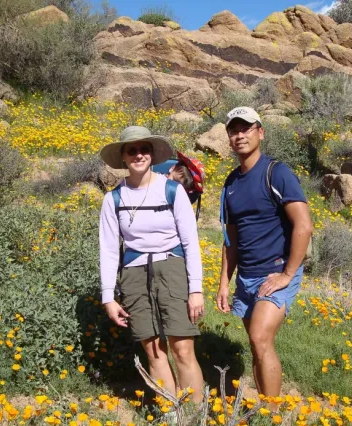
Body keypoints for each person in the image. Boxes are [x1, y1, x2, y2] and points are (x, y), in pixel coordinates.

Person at [99, 126, 205, 402]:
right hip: (134, 274)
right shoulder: (113, 199)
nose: (138, 155)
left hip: (172, 269)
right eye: (131, 150)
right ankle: (172, 419)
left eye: (143, 149)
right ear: (123, 157)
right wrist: (108, 297)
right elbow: (109, 250)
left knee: (182, 348)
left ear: (152, 154)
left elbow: (190, 242)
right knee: (153, 350)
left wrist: (196, 290)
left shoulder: (172, 191)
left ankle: (196, 420)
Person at [216, 107, 313, 407]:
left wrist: (287, 274)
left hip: (276, 272)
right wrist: (223, 283)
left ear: (260, 132)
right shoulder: (231, 183)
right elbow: (230, 239)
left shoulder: (277, 172)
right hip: (246, 275)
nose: (240, 135)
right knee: (257, 345)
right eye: (234, 130)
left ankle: (270, 415)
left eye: (246, 128)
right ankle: (264, 404)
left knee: (259, 337)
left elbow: (304, 225)